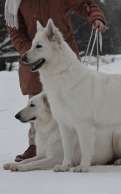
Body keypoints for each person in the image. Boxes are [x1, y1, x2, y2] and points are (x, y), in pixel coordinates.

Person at [4, 0, 107, 162]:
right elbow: (15, 32)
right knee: (37, 103)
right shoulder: (14, 3)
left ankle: (81, 144)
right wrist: (31, 51)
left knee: (73, 102)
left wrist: (96, 18)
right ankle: (36, 146)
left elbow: (85, 4)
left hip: (63, 57)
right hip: (35, 60)